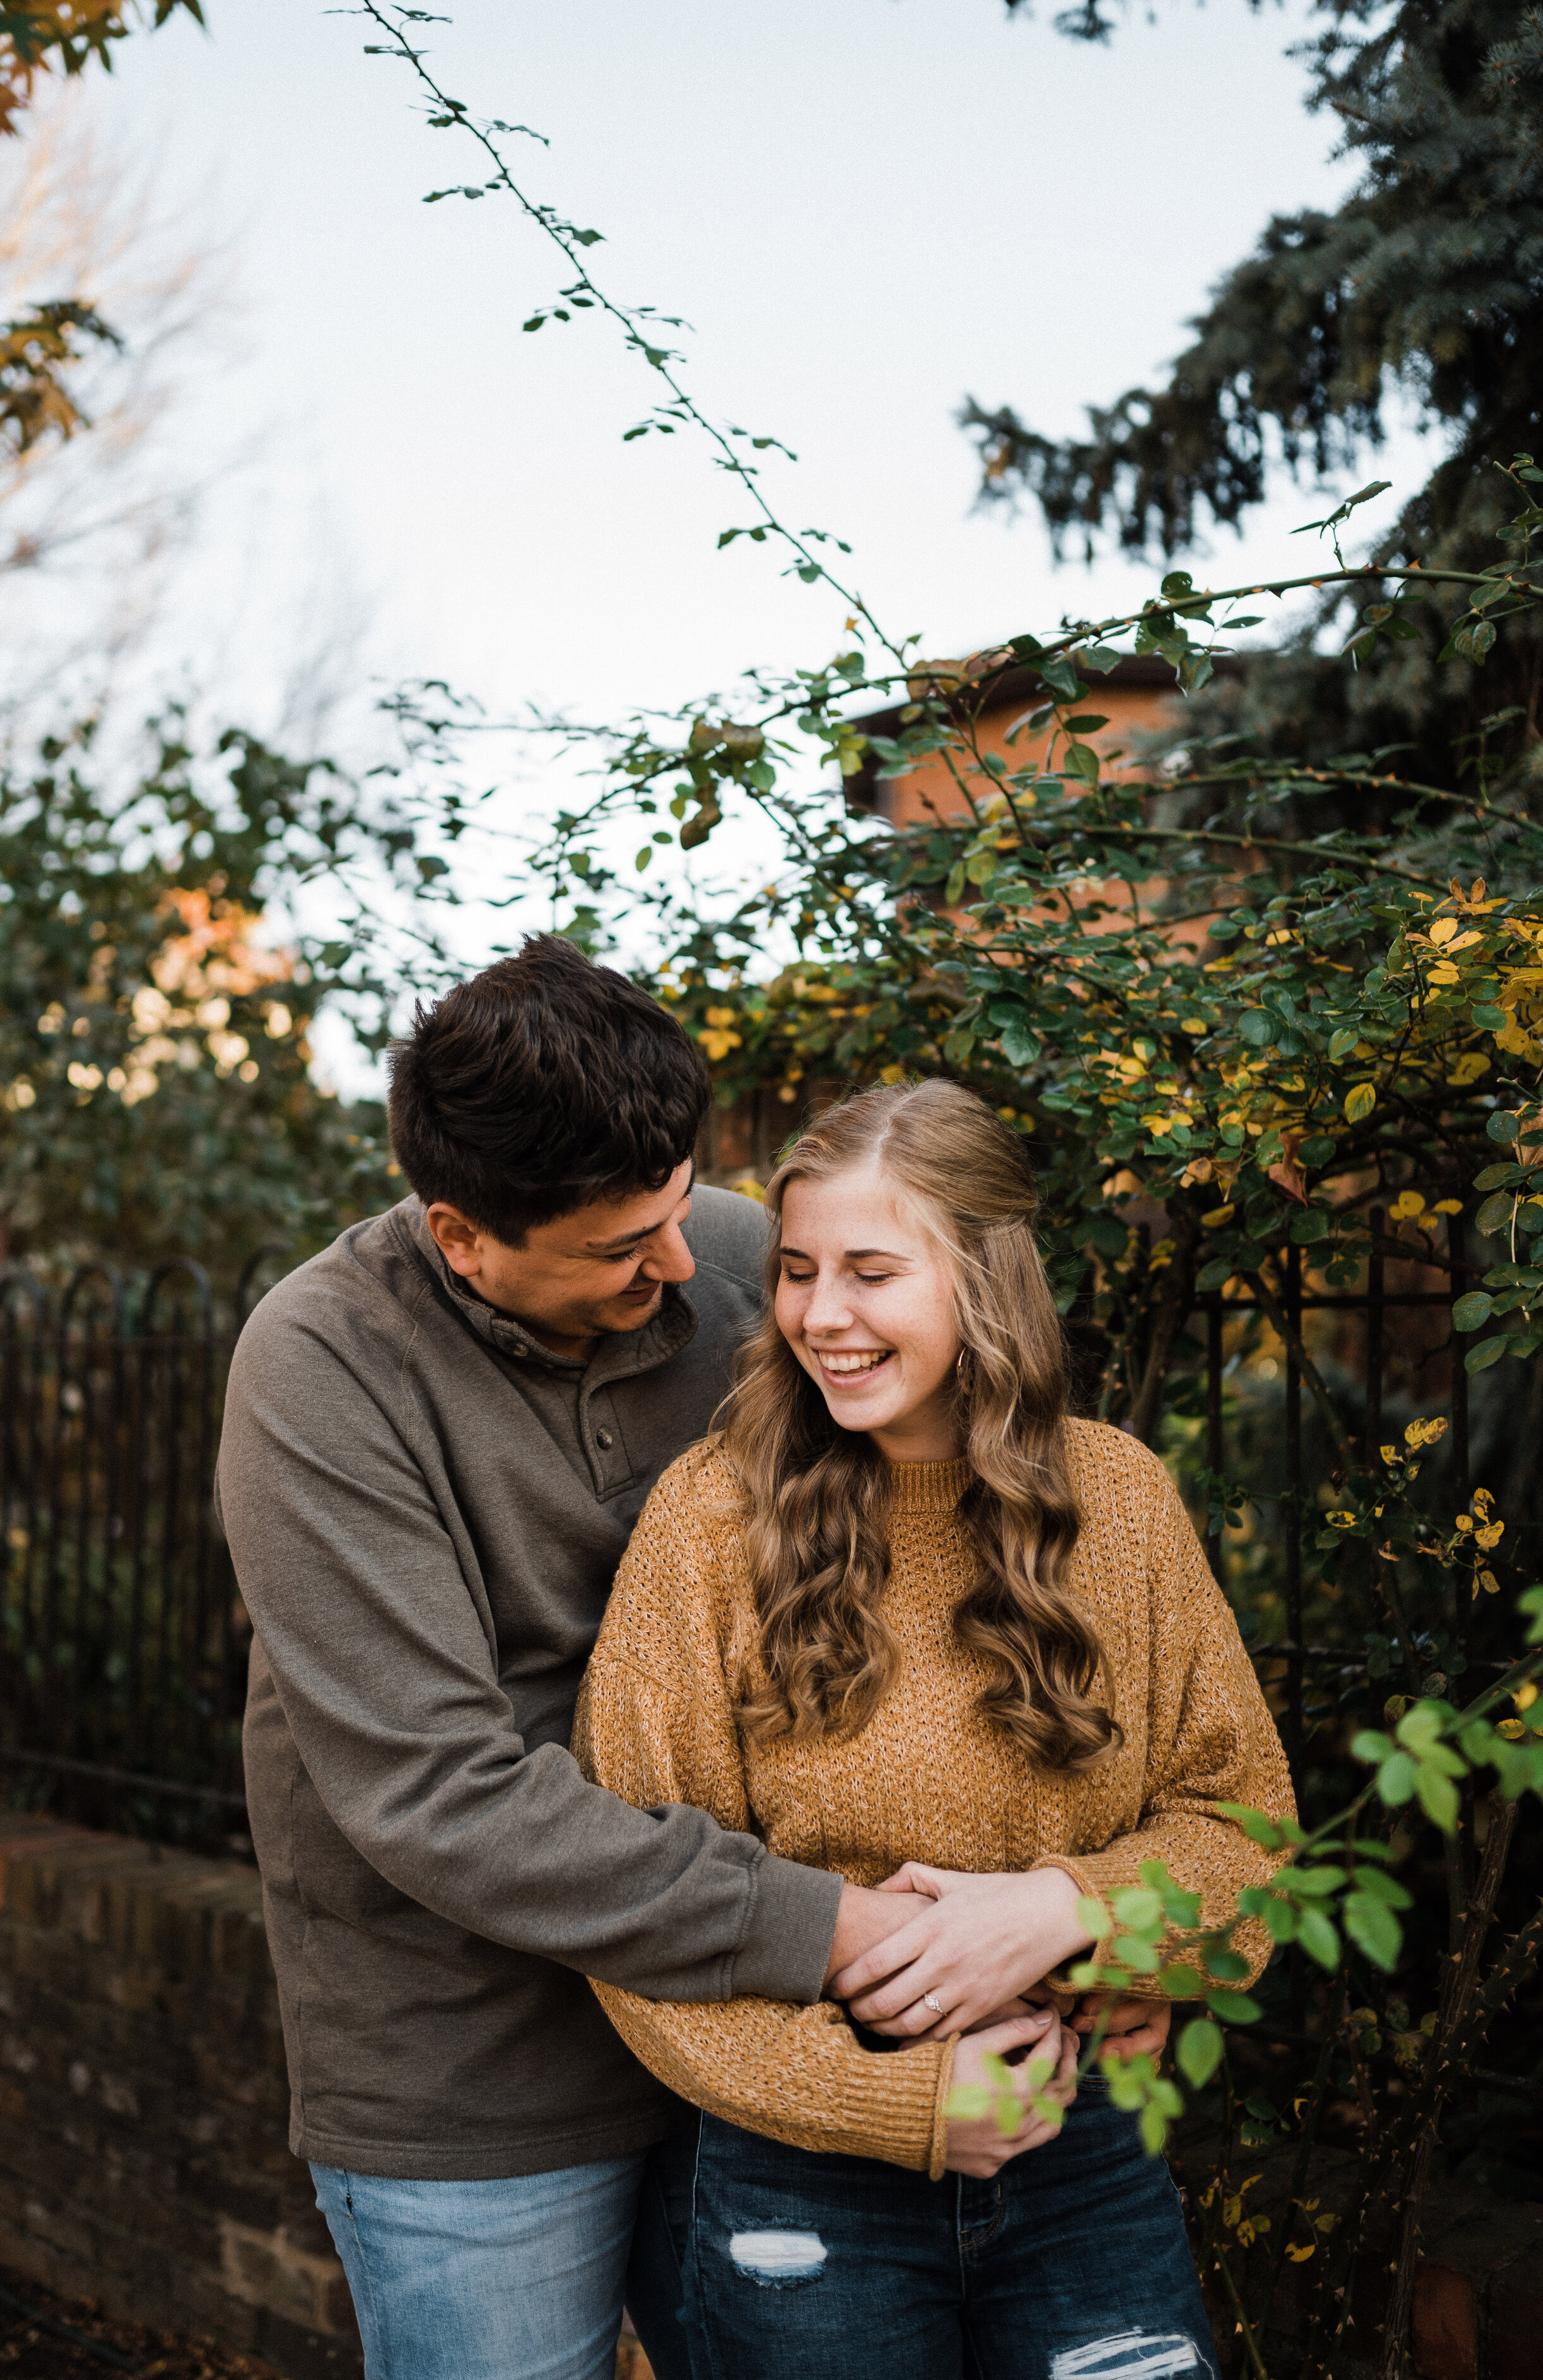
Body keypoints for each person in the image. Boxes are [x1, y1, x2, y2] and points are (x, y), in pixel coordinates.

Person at [217, 941, 1173, 2380]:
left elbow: (941, 1562)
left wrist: (1071, 1916)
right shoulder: (321, 1368)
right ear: (463, 1235)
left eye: (677, 1205)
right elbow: (439, 1793)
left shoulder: (744, 1260)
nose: (683, 1264)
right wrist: (878, 1936)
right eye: (620, 1247)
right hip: (484, 2063)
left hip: (774, 2039)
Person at [577, 1078, 1295, 2380]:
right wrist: (893, 2101)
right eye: (796, 1271)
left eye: (869, 1271)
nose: (820, 1314)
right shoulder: (711, 1517)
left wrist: (1066, 1908)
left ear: (982, 1279)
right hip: (800, 2169)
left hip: (1080, 2155)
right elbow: (633, 1895)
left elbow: (1246, 1837)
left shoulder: (1118, 1503)